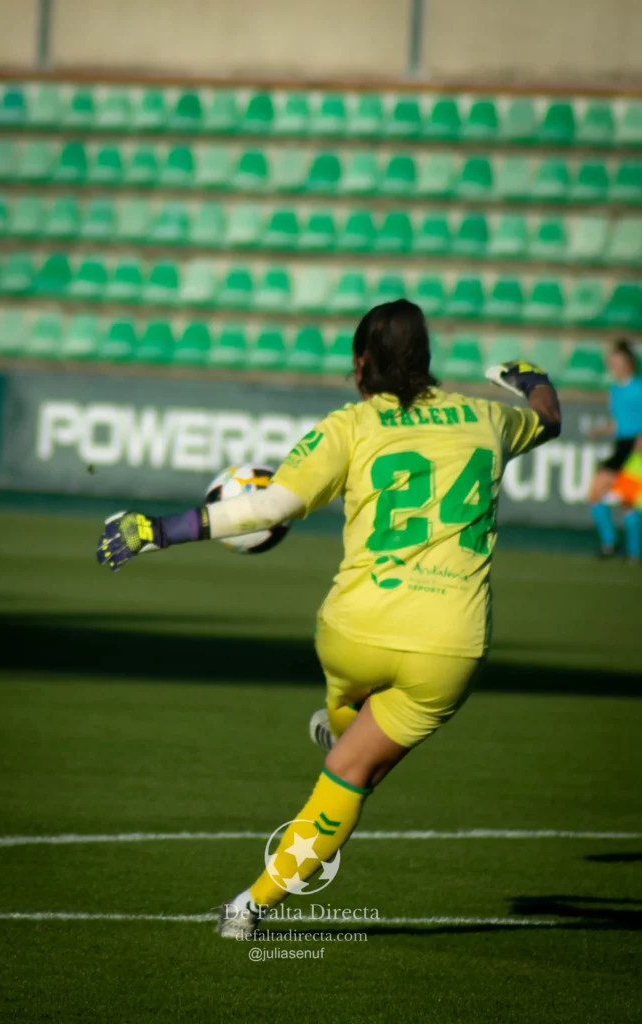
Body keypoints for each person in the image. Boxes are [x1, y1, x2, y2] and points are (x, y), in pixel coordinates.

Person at [96, 300, 561, 938]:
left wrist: (160, 530)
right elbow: (549, 418)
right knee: (351, 774)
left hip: (354, 632)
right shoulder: (487, 418)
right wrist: (530, 377)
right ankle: (248, 909)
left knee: (349, 728)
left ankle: (343, 720)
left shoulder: (351, 424)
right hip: (451, 646)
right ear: (425, 361)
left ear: (360, 362)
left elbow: (265, 510)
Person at [589, 339, 642, 561]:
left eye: (617, 360)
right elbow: (619, 421)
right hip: (621, 445)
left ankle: (634, 553)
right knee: (594, 495)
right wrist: (602, 429)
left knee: (628, 500)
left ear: (627, 362)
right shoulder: (615, 390)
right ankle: (610, 541)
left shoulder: (638, 387)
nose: (613, 365)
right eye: (611, 361)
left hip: (636, 447)